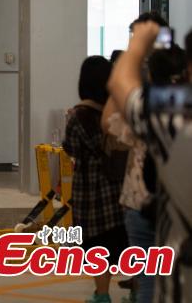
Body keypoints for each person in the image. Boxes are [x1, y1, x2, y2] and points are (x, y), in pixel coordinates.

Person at [109, 20, 192, 303]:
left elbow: (116, 95)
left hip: (143, 206)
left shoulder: (170, 113)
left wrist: (136, 48)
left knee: (148, 283)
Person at [63, 56, 128, 303]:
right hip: (118, 188)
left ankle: (102, 295)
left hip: (90, 193)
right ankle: (135, 290)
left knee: (97, 246)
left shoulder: (78, 115)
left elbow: (71, 149)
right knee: (122, 242)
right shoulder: (116, 113)